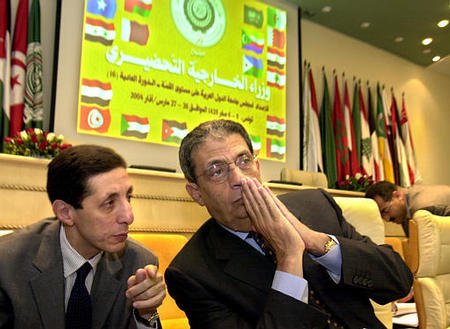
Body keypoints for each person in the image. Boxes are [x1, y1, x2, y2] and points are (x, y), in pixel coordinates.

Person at [165, 119, 413, 329]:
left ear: (258, 167)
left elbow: (399, 280)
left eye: (244, 161)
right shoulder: (192, 273)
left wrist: (316, 242)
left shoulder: (316, 204)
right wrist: (289, 257)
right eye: (217, 171)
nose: (240, 179)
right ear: (196, 193)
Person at [0, 145, 166, 329]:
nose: (129, 216)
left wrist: (147, 311)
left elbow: (147, 320)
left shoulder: (139, 264)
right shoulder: (6, 264)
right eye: (109, 203)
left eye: (128, 197)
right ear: (66, 213)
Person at [365, 181, 450, 236]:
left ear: (398, 196)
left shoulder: (421, 209)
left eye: (385, 211)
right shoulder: (404, 210)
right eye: (382, 216)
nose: (387, 219)